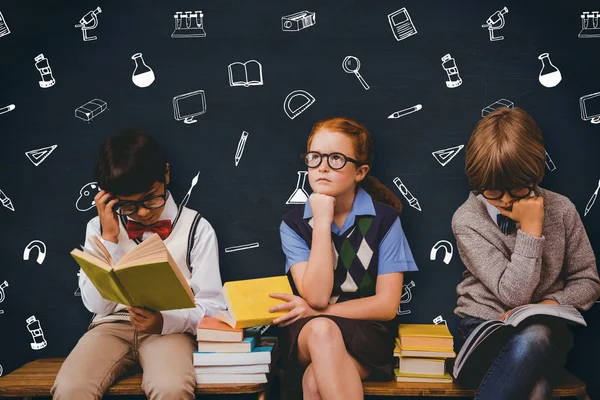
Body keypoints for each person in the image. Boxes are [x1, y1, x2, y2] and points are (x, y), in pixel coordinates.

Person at [51, 129, 227, 400]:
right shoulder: (98, 228)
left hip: (171, 330)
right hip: (111, 326)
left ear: (166, 174)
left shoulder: (196, 228)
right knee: (70, 388)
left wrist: (163, 321)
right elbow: (98, 306)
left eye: (151, 198)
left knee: (171, 387)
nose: (143, 212)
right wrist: (108, 239)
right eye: (129, 206)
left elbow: (213, 308)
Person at [452, 107, 600, 399]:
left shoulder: (562, 209)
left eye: (517, 189)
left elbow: (588, 281)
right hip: (483, 332)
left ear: (534, 174)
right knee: (538, 386)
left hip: (548, 335)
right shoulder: (467, 219)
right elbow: (514, 295)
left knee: (538, 333)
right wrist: (531, 230)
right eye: (493, 191)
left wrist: (552, 303)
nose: (505, 200)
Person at [271, 117, 419, 400]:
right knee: (322, 330)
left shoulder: (385, 221)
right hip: (308, 333)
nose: (323, 166)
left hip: (366, 335)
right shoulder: (292, 225)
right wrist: (323, 221)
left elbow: (386, 305)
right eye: (315, 157)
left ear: (360, 171)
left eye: (336, 158)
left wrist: (319, 312)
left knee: (315, 383)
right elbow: (315, 295)